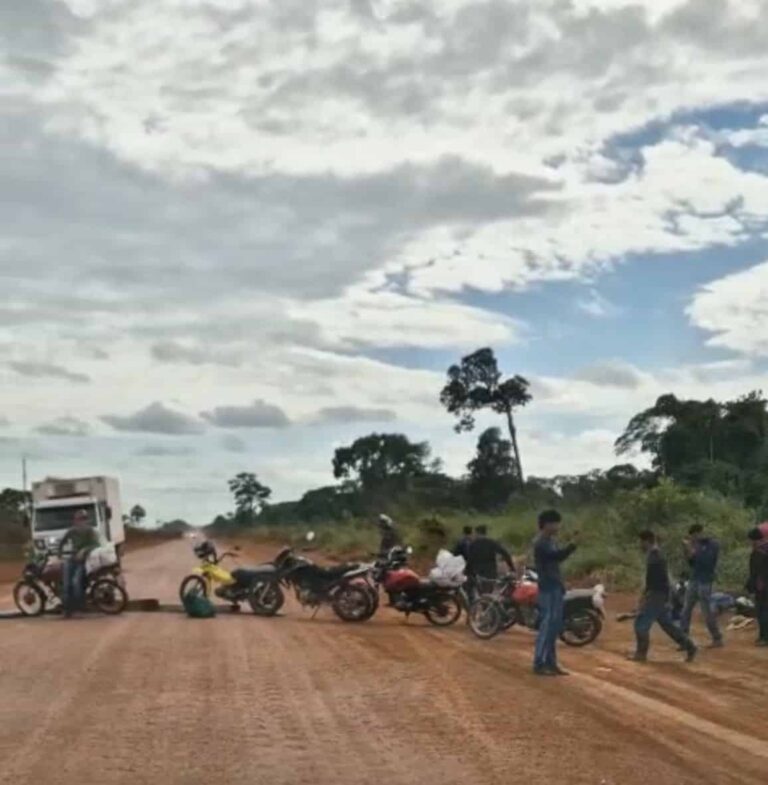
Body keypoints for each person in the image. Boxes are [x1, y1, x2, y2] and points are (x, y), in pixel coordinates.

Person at [628, 530, 697, 663]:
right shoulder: (656, 556)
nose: (640, 545)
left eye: (641, 542)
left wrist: (646, 597)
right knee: (668, 625)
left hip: (656, 595)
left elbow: (656, 581)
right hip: (659, 594)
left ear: (646, 541)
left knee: (641, 624)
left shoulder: (655, 557)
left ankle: (641, 654)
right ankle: (690, 646)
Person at [532, 509, 576, 676]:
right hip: (548, 587)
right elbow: (556, 557)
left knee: (554, 626)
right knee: (548, 625)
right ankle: (540, 662)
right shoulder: (542, 542)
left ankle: (550, 662)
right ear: (547, 524)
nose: (558, 526)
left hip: (554, 586)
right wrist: (572, 545)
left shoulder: (549, 540)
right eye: (556, 523)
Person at [679, 524, 723, 648]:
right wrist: (688, 551)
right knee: (686, 610)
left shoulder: (712, 544)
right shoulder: (695, 545)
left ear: (698, 533)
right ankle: (684, 639)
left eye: (694, 535)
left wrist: (693, 550)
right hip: (694, 579)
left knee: (706, 612)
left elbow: (707, 562)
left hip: (705, 581)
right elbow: (692, 564)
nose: (693, 538)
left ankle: (717, 638)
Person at [58, 509, 100, 618]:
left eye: (83, 519)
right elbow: (62, 542)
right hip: (72, 559)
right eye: (78, 519)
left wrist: (84, 550)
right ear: (75, 520)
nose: (81, 522)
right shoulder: (71, 531)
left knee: (76, 581)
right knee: (66, 583)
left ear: (86, 520)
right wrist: (59, 553)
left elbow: (96, 545)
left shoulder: (90, 531)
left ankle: (81, 605)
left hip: (85, 561)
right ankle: (67, 609)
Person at [746, 526, 768, 646]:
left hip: (763, 587)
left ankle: (764, 638)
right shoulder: (762, 550)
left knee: (763, 612)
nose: (749, 543)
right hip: (762, 586)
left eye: (750, 540)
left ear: (755, 540)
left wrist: (755, 585)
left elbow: (756, 572)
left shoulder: (759, 552)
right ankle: (763, 636)